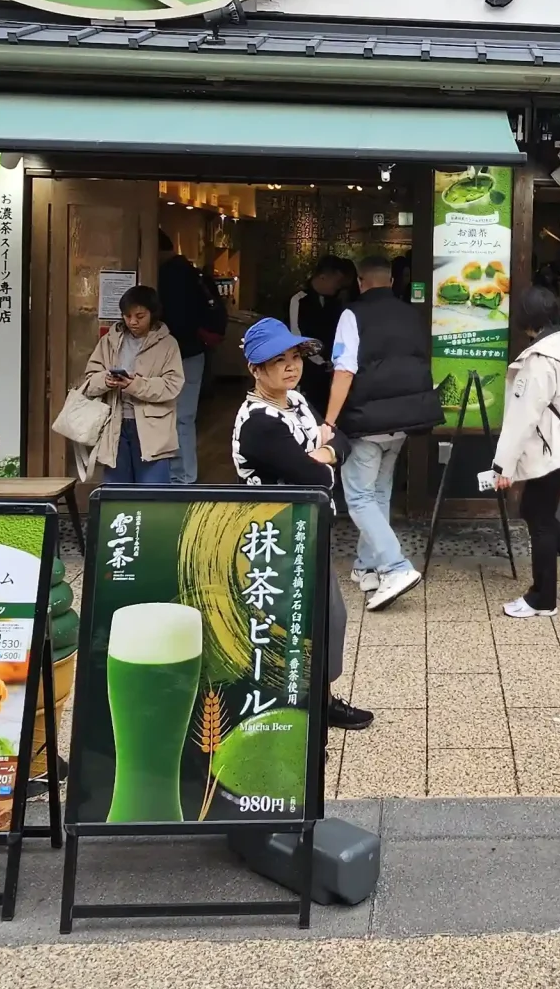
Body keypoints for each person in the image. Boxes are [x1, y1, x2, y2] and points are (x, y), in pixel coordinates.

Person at [229, 318, 375, 733]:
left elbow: (340, 440)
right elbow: (314, 475)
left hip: (305, 529)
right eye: (278, 361)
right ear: (255, 369)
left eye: (294, 357)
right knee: (290, 622)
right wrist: (326, 456)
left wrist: (326, 451)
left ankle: (317, 700)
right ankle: (289, 706)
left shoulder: (296, 401)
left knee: (325, 616)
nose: (291, 366)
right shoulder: (259, 421)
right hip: (274, 536)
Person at [322, 256, 442, 611]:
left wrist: (329, 422)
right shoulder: (411, 314)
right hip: (404, 420)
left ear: (360, 282)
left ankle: (395, 567)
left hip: (366, 422)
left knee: (360, 497)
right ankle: (366, 567)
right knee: (378, 493)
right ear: (391, 281)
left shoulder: (352, 314)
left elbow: (344, 370)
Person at [489, 285, 560, 618]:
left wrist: (502, 466)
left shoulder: (538, 361)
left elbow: (522, 419)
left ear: (525, 319)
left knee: (539, 519)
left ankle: (542, 598)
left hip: (550, 453)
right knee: (537, 512)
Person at [74, 285, 184, 486]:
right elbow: (89, 380)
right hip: (114, 426)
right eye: (127, 316)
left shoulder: (168, 344)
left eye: (140, 316)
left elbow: (172, 385)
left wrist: (135, 385)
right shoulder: (109, 341)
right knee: (117, 492)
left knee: (153, 492)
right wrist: (105, 380)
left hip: (153, 428)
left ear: (153, 314)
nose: (133, 321)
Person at [156, 230, 226, 485]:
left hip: (174, 354)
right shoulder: (192, 272)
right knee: (184, 417)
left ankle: (180, 476)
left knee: (174, 417)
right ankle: (185, 474)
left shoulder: (168, 276)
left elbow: (176, 320)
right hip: (194, 352)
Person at [289, 256, 350, 416]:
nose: (338, 286)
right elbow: (297, 335)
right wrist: (320, 361)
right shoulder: (299, 300)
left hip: (330, 370)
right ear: (323, 277)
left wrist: (335, 360)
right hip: (308, 371)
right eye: (336, 281)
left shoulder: (335, 303)